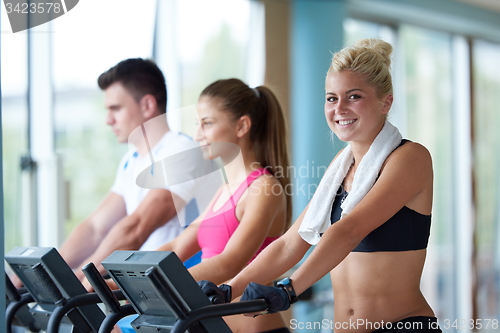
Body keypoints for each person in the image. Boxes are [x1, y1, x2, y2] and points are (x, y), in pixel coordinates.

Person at [201, 39, 442, 333]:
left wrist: (289, 290)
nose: (339, 108)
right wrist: (229, 288)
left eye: (353, 96)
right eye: (331, 98)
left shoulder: (410, 158)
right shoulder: (339, 168)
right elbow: (291, 243)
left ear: (385, 102)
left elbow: (349, 230)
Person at [156, 78, 292, 333]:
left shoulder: (264, 188)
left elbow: (230, 263)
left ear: (241, 126)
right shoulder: (224, 190)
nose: (197, 135)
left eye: (207, 123)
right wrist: (120, 275)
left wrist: (155, 284)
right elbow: (177, 246)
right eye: (198, 124)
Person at [58, 58, 206, 281]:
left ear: (147, 105)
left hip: (188, 288)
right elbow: (96, 227)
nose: (108, 120)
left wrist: (80, 276)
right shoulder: (132, 161)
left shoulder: (182, 151)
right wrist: (49, 272)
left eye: (115, 109)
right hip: (153, 286)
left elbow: (137, 227)